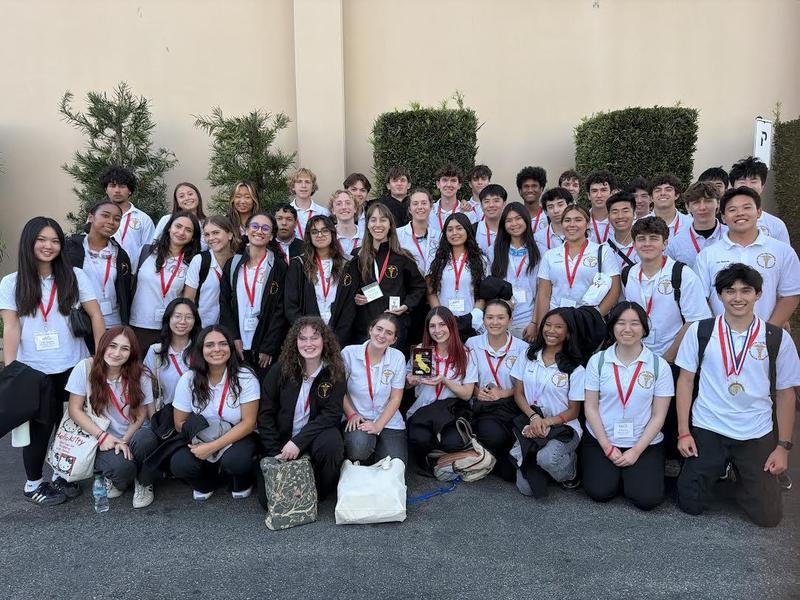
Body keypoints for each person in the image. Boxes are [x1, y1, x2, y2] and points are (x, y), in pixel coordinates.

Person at [675, 264, 800, 526]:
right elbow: (686, 381)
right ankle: (721, 468)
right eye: (730, 291)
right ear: (720, 295)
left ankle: (742, 475)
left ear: (758, 294)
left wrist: (782, 447)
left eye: (746, 290)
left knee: (768, 517)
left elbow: (786, 394)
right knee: (690, 504)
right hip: (709, 426)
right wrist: (684, 432)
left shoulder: (776, 337)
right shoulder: (701, 331)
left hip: (755, 430)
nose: (738, 297)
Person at [0, 217, 105, 506]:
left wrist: (98, 358)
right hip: (33, 369)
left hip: (72, 364)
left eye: (55, 240)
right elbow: (11, 326)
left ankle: (62, 474)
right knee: (39, 427)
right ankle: (33, 482)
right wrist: (12, 370)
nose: (49, 246)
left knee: (68, 425)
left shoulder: (74, 276)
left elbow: (96, 315)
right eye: (42, 240)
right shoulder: (12, 282)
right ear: (29, 242)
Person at [582, 302, 674, 510]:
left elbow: (659, 416)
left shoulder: (659, 365)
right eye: (621, 323)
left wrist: (635, 451)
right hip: (602, 439)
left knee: (647, 499)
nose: (627, 329)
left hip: (643, 443)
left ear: (644, 328)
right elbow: (591, 408)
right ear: (612, 326)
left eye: (635, 323)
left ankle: (632, 474)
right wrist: (607, 446)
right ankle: (617, 474)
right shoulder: (597, 361)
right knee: (600, 492)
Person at [65, 326, 157, 508]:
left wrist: (124, 440)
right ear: (103, 345)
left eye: (124, 348)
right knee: (123, 470)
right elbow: (74, 410)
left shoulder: (140, 374)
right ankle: (118, 478)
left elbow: (141, 415)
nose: (116, 353)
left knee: (146, 439)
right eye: (112, 346)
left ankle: (144, 482)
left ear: (131, 353)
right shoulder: (85, 368)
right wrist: (103, 436)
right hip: (101, 437)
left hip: (133, 434)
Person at [258, 317, 346, 500]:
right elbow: (265, 413)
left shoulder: (334, 371)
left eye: (314, 337)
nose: (308, 344)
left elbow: (332, 414)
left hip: (312, 438)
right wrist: (276, 452)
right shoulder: (280, 370)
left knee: (332, 443)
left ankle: (319, 492)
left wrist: (298, 442)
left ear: (324, 341)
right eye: (302, 338)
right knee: (267, 501)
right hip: (282, 442)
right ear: (294, 341)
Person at [170, 325, 261, 501]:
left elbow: (249, 423)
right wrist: (202, 444)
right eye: (210, 345)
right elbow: (179, 423)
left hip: (237, 437)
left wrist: (213, 447)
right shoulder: (188, 379)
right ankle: (206, 479)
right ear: (200, 349)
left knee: (236, 461)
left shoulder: (245, 377)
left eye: (223, 344)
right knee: (180, 464)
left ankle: (241, 479)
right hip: (201, 437)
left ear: (231, 348)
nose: (217, 349)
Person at [695, 187, 800, 325]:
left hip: (766, 337)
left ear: (758, 212)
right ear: (723, 217)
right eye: (732, 210)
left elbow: (791, 294)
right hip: (720, 339)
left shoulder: (782, 251)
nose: (740, 213)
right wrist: (713, 331)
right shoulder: (707, 255)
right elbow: (699, 299)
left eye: (746, 207)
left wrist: (769, 331)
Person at [510, 307, 585, 497]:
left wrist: (546, 422)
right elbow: (518, 394)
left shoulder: (576, 368)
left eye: (559, 327)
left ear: (568, 333)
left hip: (562, 427)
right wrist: (535, 417)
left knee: (548, 459)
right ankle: (545, 468)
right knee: (526, 489)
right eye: (548, 325)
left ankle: (570, 471)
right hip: (531, 424)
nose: (551, 331)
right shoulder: (528, 355)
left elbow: (574, 411)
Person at [406, 307, 478, 472]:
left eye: (442, 325)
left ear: (451, 326)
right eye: (432, 326)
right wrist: (411, 380)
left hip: (450, 412)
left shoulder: (465, 354)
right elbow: (407, 385)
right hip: (423, 410)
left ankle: (444, 456)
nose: (437, 331)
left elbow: (467, 394)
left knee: (453, 442)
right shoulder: (422, 350)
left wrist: (445, 380)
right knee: (420, 439)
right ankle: (439, 458)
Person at [219, 212, 288, 380]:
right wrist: (233, 337)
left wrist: (268, 347)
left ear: (272, 235)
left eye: (266, 228)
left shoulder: (278, 267)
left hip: (265, 347)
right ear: (246, 230)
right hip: (238, 344)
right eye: (255, 226)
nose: (259, 231)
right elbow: (225, 303)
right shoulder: (233, 263)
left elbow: (281, 310)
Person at [465, 300, 529, 480]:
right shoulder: (472, 343)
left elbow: (525, 384)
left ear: (510, 320)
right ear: (483, 320)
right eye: (490, 317)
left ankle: (498, 457)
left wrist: (504, 393)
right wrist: (477, 392)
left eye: (500, 317)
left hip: (511, 404)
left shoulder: (522, 348)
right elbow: (466, 375)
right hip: (483, 405)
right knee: (492, 435)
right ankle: (493, 455)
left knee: (513, 439)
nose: (495, 322)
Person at [351, 203, 427, 352]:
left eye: (383, 220)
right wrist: (355, 297)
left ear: (391, 225)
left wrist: (406, 306)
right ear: (367, 225)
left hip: (395, 328)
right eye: (373, 220)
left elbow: (419, 287)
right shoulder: (357, 256)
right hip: (366, 327)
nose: (378, 225)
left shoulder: (403, 257)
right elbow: (349, 289)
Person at [534, 204, 620, 325]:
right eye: (567, 220)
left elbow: (614, 290)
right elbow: (543, 294)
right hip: (557, 322)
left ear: (588, 224)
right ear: (562, 224)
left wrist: (594, 317)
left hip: (588, 322)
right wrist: (542, 324)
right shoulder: (550, 255)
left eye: (578, 220)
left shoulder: (603, 251)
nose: (572, 225)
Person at [342, 314, 408, 465]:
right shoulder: (349, 353)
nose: (382, 335)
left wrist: (378, 425)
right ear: (370, 330)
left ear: (394, 340)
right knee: (359, 448)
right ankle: (368, 449)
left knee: (395, 466)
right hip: (358, 417)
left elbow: (396, 398)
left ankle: (377, 448)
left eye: (389, 333)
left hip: (387, 420)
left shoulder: (398, 358)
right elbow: (339, 391)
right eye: (379, 329)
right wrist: (351, 414)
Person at [129, 211, 201, 350]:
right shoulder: (146, 252)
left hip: (171, 328)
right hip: (139, 325)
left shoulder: (192, 262)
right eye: (178, 226)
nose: (181, 232)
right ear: (169, 228)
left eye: (188, 230)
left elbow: (188, 300)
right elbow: (130, 284)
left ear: (193, 237)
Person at [285, 215, 356, 348]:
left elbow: (349, 308)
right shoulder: (298, 264)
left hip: (340, 337)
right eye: (314, 231)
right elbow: (291, 305)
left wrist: (337, 339)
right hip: (307, 338)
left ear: (332, 233)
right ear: (309, 236)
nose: (320, 235)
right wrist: (308, 334)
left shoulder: (347, 264)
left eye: (325, 230)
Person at [64, 201, 132, 329]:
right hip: (81, 322)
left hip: (113, 323)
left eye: (117, 219)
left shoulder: (121, 255)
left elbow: (125, 292)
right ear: (91, 217)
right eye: (105, 216)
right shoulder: (71, 249)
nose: (111, 222)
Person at [427, 212, 488, 339]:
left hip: (471, 322)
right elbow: (431, 292)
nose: (454, 233)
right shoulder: (435, 258)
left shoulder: (480, 259)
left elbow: (483, 293)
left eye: (459, 228)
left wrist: (474, 316)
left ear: (467, 230)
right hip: (443, 324)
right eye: (450, 229)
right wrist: (440, 316)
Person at [490, 203, 541, 340]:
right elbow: (489, 286)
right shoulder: (493, 251)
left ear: (526, 220)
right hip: (501, 320)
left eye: (518, 218)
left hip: (529, 321)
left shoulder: (540, 251)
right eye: (508, 220)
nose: (514, 224)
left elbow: (542, 291)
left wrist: (535, 323)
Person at [143, 298, 202, 408]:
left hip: (200, 413)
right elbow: (147, 390)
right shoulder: (155, 351)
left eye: (188, 317)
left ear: (195, 321)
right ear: (168, 318)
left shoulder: (202, 350)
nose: (182, 321)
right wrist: (154, 420)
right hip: (168, 414)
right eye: (177, 316)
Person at [183, 215, 239, 328]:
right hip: (202, 329)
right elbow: (188, 300)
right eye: (207, 235)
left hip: (232, 331)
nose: (211, 238)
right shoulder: (200, 261)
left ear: (229, 235)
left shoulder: (239, 261)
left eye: (216, 233)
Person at [729, 156, 790, 244]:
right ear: (733, 186)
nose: (748, 186)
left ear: (762, 186)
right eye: (742, 181)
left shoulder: (776, 225)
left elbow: (785, 255)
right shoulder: (725, 222)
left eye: (753, 181)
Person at [666, 181, 726, 270]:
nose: (702, 207)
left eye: (708, 201)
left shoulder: (731, 235)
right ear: (687, 207)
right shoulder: (675, 243)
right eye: (696, 202)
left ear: (718, 203)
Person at [105, 165, 155, 270]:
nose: (117, 190)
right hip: (104, 272)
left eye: (122, 186)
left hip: (132, 276)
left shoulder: (144, 219)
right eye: (112, 186)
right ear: (106, 189)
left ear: (130, 191)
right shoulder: (97, 216)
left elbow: (149, 252)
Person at [396, 188, 441, 276]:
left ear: (431, 206)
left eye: (424, 203)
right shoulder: (397, 235)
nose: (420, 207)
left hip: (433, 287)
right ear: (409, 209)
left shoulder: (439, 236)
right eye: (415, 204)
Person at [430, 164, 480, 230]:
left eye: (453, 180)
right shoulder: (429, 212)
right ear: (438, 184)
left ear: (459, 185)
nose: (448, 184)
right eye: (445, 180)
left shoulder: (468, 213)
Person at [648, 174, 692, 239]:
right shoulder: (640, 224)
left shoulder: (690, 224)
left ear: (676, 195)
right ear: (651, 197)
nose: (663, 193)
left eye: (668, 189)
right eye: (657, 190)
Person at [289, 167, 330, 239]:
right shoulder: (286, 212)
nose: (303, 186)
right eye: (299, 182)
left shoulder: (324, 212)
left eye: (307, 182)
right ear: (293, 187)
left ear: (313, 187)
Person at [605, 192, 639, 270]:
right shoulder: (603, 249)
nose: (620, 216)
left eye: (625, 211)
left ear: (634, 214)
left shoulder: (646, 246)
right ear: (609, 217)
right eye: (615, 212)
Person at [534, 187, 572, 255]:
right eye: (550, 207)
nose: (556, 210)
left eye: (560, 205)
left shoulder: (581, 233)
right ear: (545, 212)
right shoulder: (538, 238)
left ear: (569, 206)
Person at [473, 183, 506, 258]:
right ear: (481, 205)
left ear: (504, 204)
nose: (491, 205)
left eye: (496, 201)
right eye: (486, 201)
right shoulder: (473, 230)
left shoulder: (511, 229)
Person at [585, 170, 616, 244]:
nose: (599, 195)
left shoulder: (619, 220)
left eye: (603, 190)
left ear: (612, 193)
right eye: (594, 191)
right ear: (588, 195)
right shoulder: (582, 221)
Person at [515, 166, 548, 233]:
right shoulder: (513, 218)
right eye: (526, 186)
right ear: (520, 191)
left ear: (541, 189)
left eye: (534, 186)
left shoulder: (549, 216)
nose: (530, 190)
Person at [329, 189, 361, 256]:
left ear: (355, 208)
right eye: (339, 204)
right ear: (333, 210)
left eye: (348, 203)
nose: (344, 207)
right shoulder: (328, 238)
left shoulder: (366, 237)